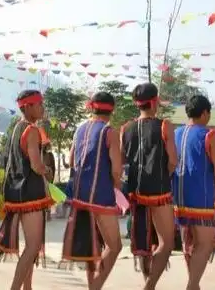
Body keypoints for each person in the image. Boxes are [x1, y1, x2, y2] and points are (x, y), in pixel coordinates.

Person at [0, 90, 54, 290]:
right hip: (30, 194)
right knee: (33, 246)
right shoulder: (32, 130)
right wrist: (48, 170)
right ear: (27, 107)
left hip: (16, 193)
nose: (42, 107)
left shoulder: (16, 128)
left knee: (30, 246)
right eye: (38, 104)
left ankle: (27, 287)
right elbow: (35, 165)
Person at [62, 92, 123, 290]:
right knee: (114, 247)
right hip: (101, 196)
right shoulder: (108, 132)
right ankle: (95, 286)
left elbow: (71, 161)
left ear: (92, 107)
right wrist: (117, 187)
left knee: (92, 247)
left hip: (80, 196)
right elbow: (116, 169)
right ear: (111, 109)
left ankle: (93, 285)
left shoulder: (79, 129)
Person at [120, 83, 178, 290]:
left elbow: (121, 160)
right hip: (159, 191)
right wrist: (165, 174)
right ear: (154, 101)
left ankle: (148, 282)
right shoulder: (165, 126)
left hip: (135, 191)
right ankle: (149, 286)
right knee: (166, 243)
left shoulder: (125, 128)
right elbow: (173, 160)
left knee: (144, 243)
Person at [172, 94, 215, 290]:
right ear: (204, 113)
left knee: (189, 243)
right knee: (204, 244)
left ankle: (193, 285)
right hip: (201, 197)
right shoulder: (209, 134)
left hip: (178, 196)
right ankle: (192, 285)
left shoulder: (175, 133)